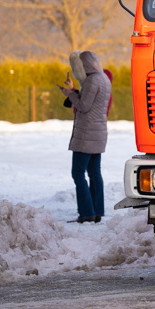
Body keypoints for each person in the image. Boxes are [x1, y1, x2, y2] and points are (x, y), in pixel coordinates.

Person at [59, 51, 111, 223]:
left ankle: (86, 213)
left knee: (78, 172)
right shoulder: (103, 78)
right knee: (95, 173)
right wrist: (75, 90)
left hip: (87, 133)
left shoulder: (91, 80)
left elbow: (83, 105)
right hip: (99, 131)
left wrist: (69, 94)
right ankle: (96, 212)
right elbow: (93, 101)